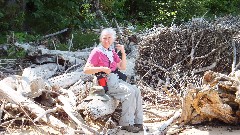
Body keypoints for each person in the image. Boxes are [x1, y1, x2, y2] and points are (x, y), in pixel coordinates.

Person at [83, 28, 143, 133]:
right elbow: (86, 69)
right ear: (101, 39)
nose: (107, 40)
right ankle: (127, 123)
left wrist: (123, 52)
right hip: (105, 82)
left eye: (109, 38)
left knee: (136, 90)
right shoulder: (97, 52)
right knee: (129, 92)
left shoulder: (111, 51)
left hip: (116, 79)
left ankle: (138, 122)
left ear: (113, 39)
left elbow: (122, 67)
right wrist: (101, 68)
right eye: (104, 38)